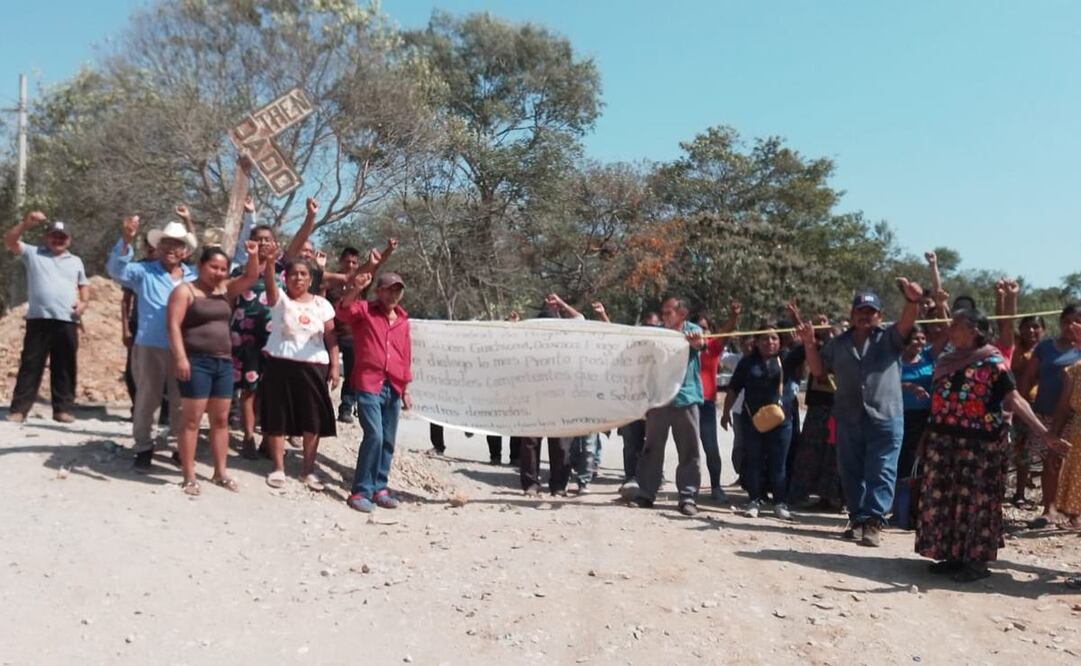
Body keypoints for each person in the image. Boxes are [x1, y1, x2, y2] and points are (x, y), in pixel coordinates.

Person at [914, 309, 1069, 583]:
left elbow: (1015, 400)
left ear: (974, 331)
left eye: (956, 325)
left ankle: (975, 561)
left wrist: (1045, 434)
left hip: (980, 446)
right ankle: (952, 554)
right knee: (948, 498)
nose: (950, 329)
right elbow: (938, 402)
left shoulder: (993, 362)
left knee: (975, 503)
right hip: (943, 441)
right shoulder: (946, 360)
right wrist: (926, 437)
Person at [799, 280, 923, 546]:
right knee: (850, 470)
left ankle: (873, 522)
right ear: (852, 315)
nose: (865, 315)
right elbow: (819, 371)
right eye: (860, 311)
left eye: (871, 311)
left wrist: (912, 302)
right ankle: (857, 519)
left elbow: (906, 323)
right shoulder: (838, 343)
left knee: (882, 469)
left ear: (879, 315)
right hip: (849, 415)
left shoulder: (890, 338)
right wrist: (809, 344)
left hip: (886, 416)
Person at [166, 243, 261, 495]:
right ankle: (189, 476)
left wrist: (253, 255)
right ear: (200, 266)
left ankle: (220, 473)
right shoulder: (185, 291)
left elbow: (251, 276)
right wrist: (180, 358)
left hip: (223, 362)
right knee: (191, 421)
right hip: (196, 362)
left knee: (220, 421)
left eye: (223, 268)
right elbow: (173, 326)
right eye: (213, 267)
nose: (218, 272)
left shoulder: (224, 289)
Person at [230, 197, 320, 458]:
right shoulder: (240, 268)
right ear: (250, 241)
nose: (264, 243)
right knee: (248, 391)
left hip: (277, 336)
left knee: (272, 392)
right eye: (258, 239)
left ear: (275, 244)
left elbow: (300, 239)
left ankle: (268, 440)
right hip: (245, 337)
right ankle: (247, 437)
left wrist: (310, 217)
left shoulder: (282, 266)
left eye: (268, 239)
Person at [107, 214, 197, 470]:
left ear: (184, 251)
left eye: (176, 244)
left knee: (183, 401)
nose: (170, 249)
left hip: (185, 349)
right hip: (151, 345)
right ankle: (144, 448)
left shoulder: (193, 277)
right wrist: (126, 239)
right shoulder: (143, 272)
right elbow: (116, 269)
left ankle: (182, 447)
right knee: (148, 398)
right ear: (157, 247)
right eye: (165, 243)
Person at [259, 257, 340, 489]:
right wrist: (270, 263)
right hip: (280, 364)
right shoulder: (280, 300)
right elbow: (270, 285)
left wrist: (334, 366)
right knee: (278, 416)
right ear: (286, 278)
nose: (299, 278)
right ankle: (278, 468)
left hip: (314, 367)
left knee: (312, 418)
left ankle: (308, 470)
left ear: (311, 278)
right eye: (294, 273)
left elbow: (331, 337)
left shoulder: (322, 305)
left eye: (304, 274)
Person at [336, 271, 412, 511]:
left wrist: (406, 387)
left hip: (394, 386)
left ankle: (380, 487)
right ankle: (361, 491)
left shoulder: (402, 321)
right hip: (370, 383)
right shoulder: (365, 311)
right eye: (389, 289)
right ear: (379, 291)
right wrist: (356, 288)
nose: (393, 294)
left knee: (388, 440)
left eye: (397, 290)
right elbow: (343, 311)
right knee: (375, 436)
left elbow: (405, 355)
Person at [4, 212, 89, 423]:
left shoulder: (76, 261)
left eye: (62, 237)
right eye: (54, 236)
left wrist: (84, 302)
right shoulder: (33, 253)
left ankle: (63, 410)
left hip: (67, 319)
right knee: (31, 364)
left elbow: (83, 285)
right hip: (38, 319)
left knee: (65, 366)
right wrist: (25, 224)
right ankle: (19, 410)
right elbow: (9, 241)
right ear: (46, 237)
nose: (58, 240)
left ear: (69, 240)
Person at [632, 297, 707, 516]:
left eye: (668, 312)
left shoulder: (693, 330)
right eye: (663, 313)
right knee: (652, 448)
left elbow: (701, 344)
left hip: (686, 397)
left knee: (689, 450)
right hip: (660, 398)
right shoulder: (656, 333)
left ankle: (688, 496)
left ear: (681, 314)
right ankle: (646, 493)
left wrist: (696, 343)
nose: (664, 316)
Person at [1017, 304, 1081, 527]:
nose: (1071, 326)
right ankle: (1050, 508)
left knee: (1074, 465)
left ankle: (1074, 512)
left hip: (1076, 416)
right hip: (1047, 413)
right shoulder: (1046, 347)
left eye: (1077, 321)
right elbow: (1028, 377)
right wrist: (1021, 408)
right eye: (1066, 321)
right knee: (1051, 462)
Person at [722, 324, 794, 520]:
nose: (769, 342)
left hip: (782, 421)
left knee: (778, 463)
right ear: (756, 341)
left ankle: (780, 502)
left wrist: (796, 322)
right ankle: (754, 500)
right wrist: (726, 412)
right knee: (753, 461)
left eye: (773, 338)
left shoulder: (786, 359)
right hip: (752, 420)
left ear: (780, 341)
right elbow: (733, 388)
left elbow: (804, 347)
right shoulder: (747, 362)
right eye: (764, 338)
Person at [517, 293, 582, 497]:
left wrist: (562, 304)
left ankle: (558, 486)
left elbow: (580, 320)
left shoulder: (567, 341)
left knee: (561, 443)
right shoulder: (528, 344)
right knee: (530, 442)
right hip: (533, 396)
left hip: (561, 398)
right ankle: (531, 484)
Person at [786, 317, 841, 511]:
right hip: (818, 406)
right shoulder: (816, 348)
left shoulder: (844, 351)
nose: (829, 334)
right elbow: (805, 334)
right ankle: (798, 494)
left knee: (832, 456)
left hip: (838, 408)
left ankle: (830, 497)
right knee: (808, 451)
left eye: (832, 331)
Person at [694, 302, 742, 502]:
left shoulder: (712, 348)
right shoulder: (680, 348)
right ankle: (688, 489)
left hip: (705, 404)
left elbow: (726, 331)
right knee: (687, 451)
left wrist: (733, 317)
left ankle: (716, 487)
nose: (700, 331)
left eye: (704, 328)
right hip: (684, 404)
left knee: (711, 447)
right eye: (696, 327)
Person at [618, 310, 662, 497]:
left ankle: (653, 479)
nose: (649, 330)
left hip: (655, 404)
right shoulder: (630, 349)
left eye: (653, 327)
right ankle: (630, 477)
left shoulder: (662, 350)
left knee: (653, 444)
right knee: (630, 442)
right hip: (632, 403)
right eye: (646, 327)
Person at [1009, 314, 1045, 507]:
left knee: (1030, 452)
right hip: (1013, 406)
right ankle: (1008, 492)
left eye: (1036, 327)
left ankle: (1022, 493)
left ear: (1043, 330)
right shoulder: (1015, 348)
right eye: (1027, 327)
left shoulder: (1047, 351)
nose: (1031, 331)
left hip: (1038, 407)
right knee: (1012, 449)